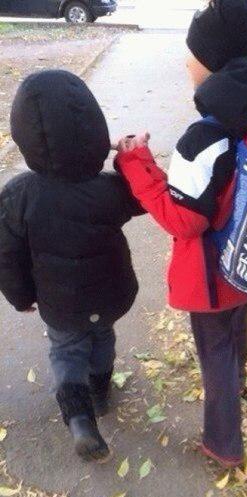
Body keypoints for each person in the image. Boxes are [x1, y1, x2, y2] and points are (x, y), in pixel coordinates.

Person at [115, 0, 247, 468]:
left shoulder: (201, 138)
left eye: (190, 54)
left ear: (209, 62)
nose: (185, 63)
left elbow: (182, 220)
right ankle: (240, 380)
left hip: (210, 270)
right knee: (235, 329)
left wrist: (136, 164)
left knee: (215, 352)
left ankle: (223, 443)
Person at [0, 71, 143, 462]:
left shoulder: (18, 195)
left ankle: (80, 420)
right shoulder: (110, 188)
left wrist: (20, 297)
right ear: (94, 130)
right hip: (110, 293)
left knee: (66, 350)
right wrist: (127, 157)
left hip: (59, 301)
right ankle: (100, 393)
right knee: (102, 336)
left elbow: (6, 255)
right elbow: (144, 199)